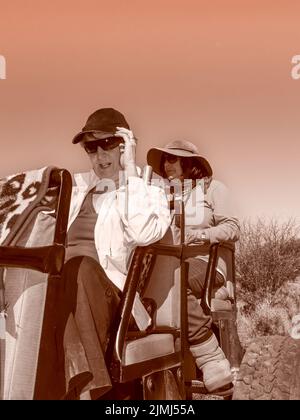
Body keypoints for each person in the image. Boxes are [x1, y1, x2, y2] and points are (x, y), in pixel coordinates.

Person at [55, 108, 171, 399]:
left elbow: (144, 233)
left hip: (115, 297)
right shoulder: (76, 190)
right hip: (65, 288)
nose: (99, 154)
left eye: (108, 144)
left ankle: (85, 388)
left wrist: (130, 170)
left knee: (79, 268)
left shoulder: (148, 192)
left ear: (125, 145)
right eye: (91, 147)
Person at [147, 140, 240, 392]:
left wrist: (202, 235)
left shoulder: (214, 189)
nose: (167, 165)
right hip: (172, 263)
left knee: (178, 280)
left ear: (189, 164)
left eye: (173, 159)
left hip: (207, 264)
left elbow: (233, 228)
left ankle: (210, 358)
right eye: (165, 160)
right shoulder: (166, 196)